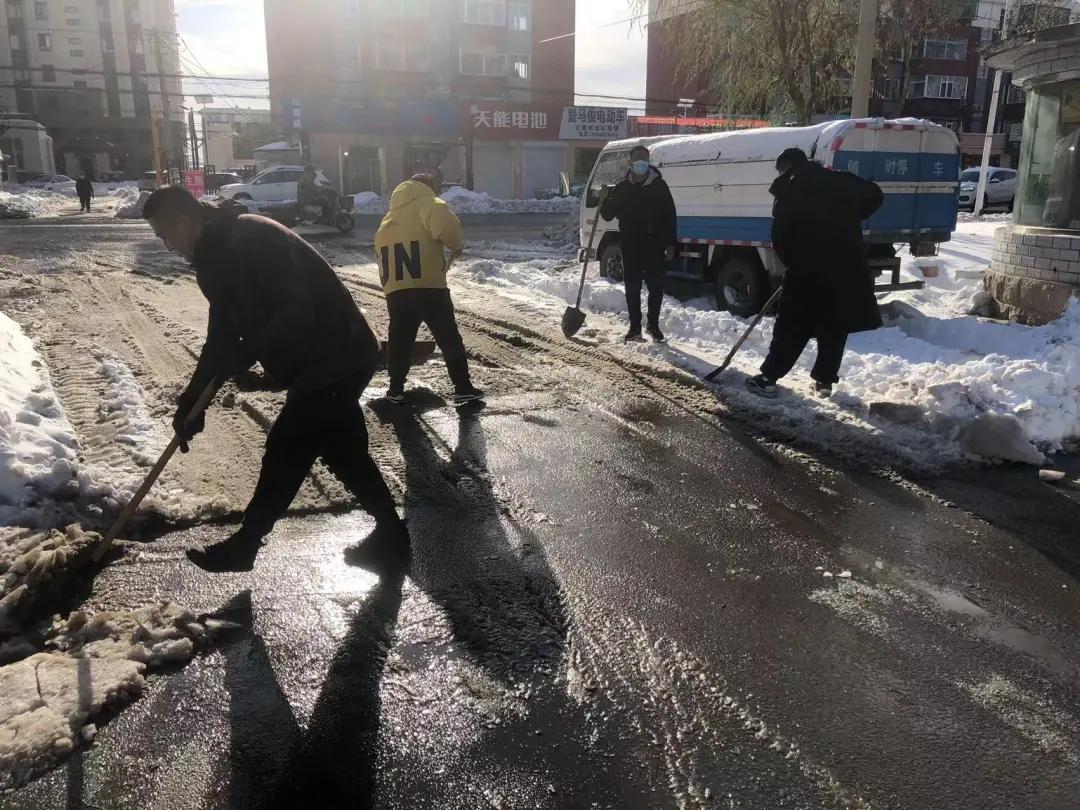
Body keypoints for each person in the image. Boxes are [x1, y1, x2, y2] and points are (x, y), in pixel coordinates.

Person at [142, 186, 406, 572]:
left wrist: (245, 354)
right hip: (331, 358)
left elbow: (295, 309)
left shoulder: (245, 240)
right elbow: (222, 337)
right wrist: (192, 403)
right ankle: (392, 536)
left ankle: (246, 545)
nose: (167, 246)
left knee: (289, 447)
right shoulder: (220, 250)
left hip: (336, 356)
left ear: (184, 221)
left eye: (164, 235)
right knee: (343, 452)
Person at [746, 147, 884, 399]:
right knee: (834, 324)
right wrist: (852, 216)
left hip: (807, 273)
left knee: (791, 327)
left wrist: (793, 263)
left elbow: (780, 236)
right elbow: (875, 194)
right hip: (845, 268)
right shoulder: (840, 180)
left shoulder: (790, 189)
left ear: (787, 167)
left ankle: (768, 379)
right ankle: (824, 381)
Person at [374, 174, 483, 406]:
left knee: (399, 340)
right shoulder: (429, 203)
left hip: (397, 290)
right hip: (429, 287)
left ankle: (395, 389)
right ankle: (463, 387)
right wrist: (456, 246)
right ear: (429, 187)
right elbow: (446, 228)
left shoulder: (388, 218)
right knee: (448, 338)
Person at [599, 144, 678, 343]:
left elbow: (670, 216)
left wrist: (670, 244)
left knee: (656, 287)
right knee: (632, 286)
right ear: (630, 163)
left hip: (655, 243)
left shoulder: (659, 186)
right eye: (637, 160)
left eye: (645, 160)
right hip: (631, 244)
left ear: (649, 162)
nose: (641, 164)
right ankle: (634, 327)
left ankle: (653, 325)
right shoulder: (622, 188)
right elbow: (608, 215)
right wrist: (604, 199)